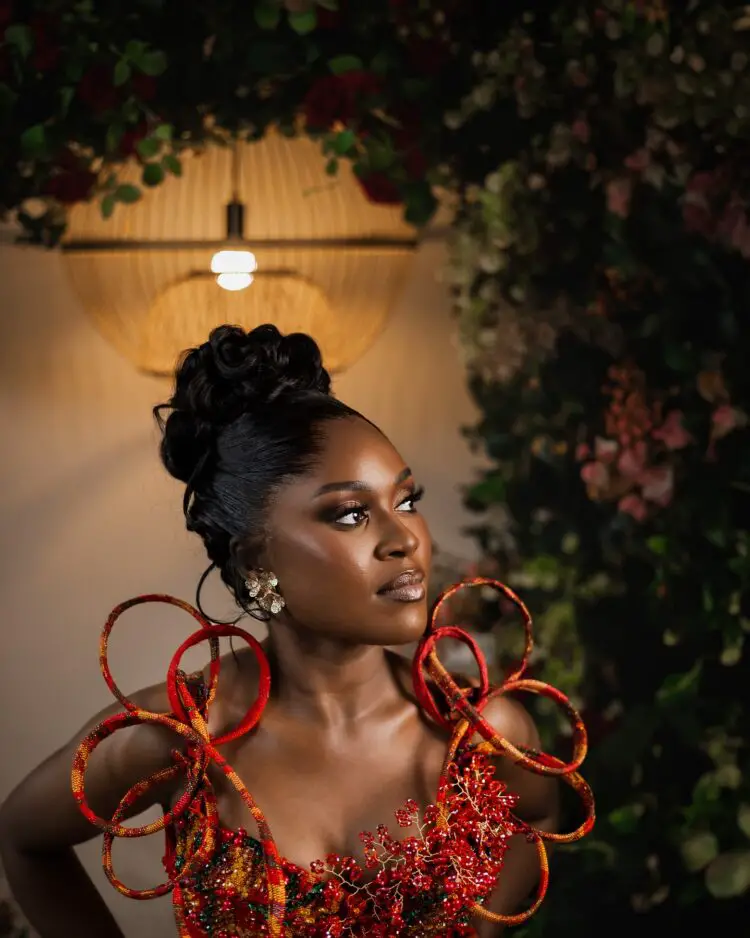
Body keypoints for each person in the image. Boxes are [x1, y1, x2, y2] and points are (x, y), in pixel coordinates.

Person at [0, 324, 592, 937]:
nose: (405, 539)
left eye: (407, 501)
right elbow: (23, 838)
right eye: (351, 514)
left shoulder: (485, 735)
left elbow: (539, 820)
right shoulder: (176, 739)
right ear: (256, 560)